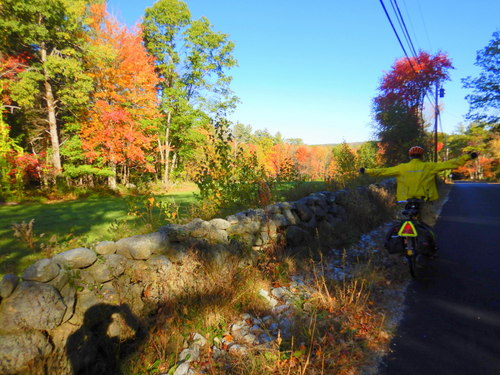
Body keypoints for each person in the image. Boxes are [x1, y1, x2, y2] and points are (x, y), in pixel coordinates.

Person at [359, 146, 477, 256]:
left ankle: (405, 244)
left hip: (405, 201)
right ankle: (430, 249)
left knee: (404, 222)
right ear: (422, 156)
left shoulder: (402, 168)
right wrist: (467, 157)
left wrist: (366, 170)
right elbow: (451, 163)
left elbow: (382, 171)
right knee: (427, 225)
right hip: (424, 200)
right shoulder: (429, 166)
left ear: (410, 156)